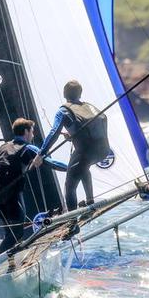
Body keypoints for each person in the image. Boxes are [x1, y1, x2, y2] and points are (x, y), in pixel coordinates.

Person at [0, 117, 66, 253]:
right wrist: (72, 168)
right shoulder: (28, 148)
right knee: (17, 234)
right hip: (12, 198)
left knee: (10, 234)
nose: (33, 135)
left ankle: (10, 261)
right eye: (32, 132)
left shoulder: (3, 148)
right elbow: (52, 163)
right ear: (26, 131)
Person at [39, 80, 112, 211]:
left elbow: (54, 133)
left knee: (70, 185)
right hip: (104, 150)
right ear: (80, 93)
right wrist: (73, 136)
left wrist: (41, 153)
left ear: (64, 93)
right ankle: (90, 201)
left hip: (86, 153)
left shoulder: (63, 111)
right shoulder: (90, 106)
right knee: (83, 167)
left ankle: (72, 221)